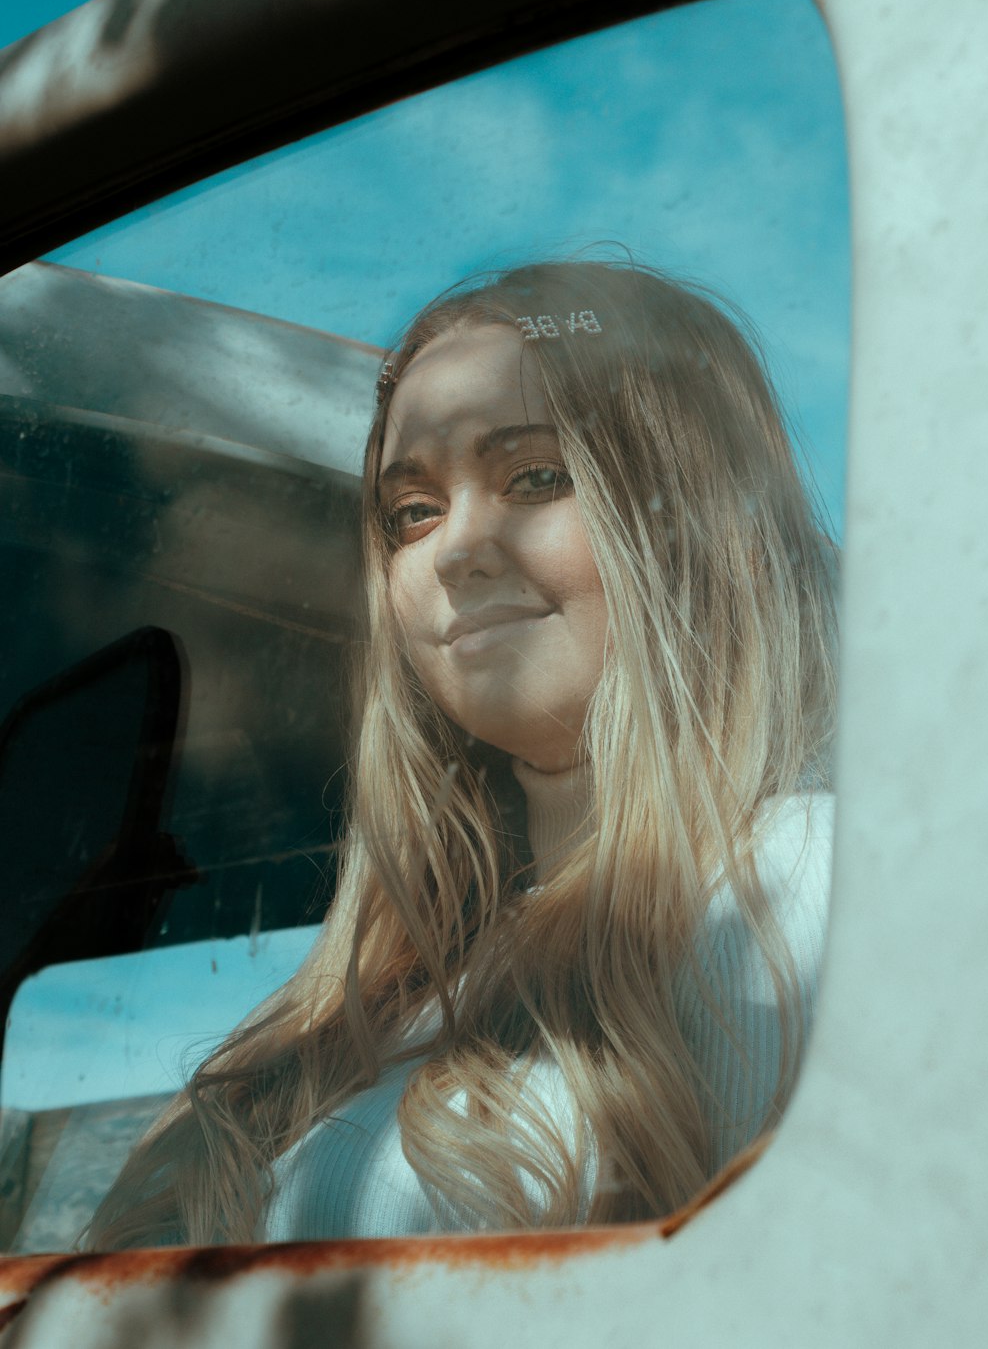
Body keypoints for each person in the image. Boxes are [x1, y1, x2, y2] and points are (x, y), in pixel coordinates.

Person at [86, 257, 837, 1248]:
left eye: (536, 476)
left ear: (693, 520)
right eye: (413, 512)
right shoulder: (369, 993)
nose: (454, 547)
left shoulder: (805, 890)